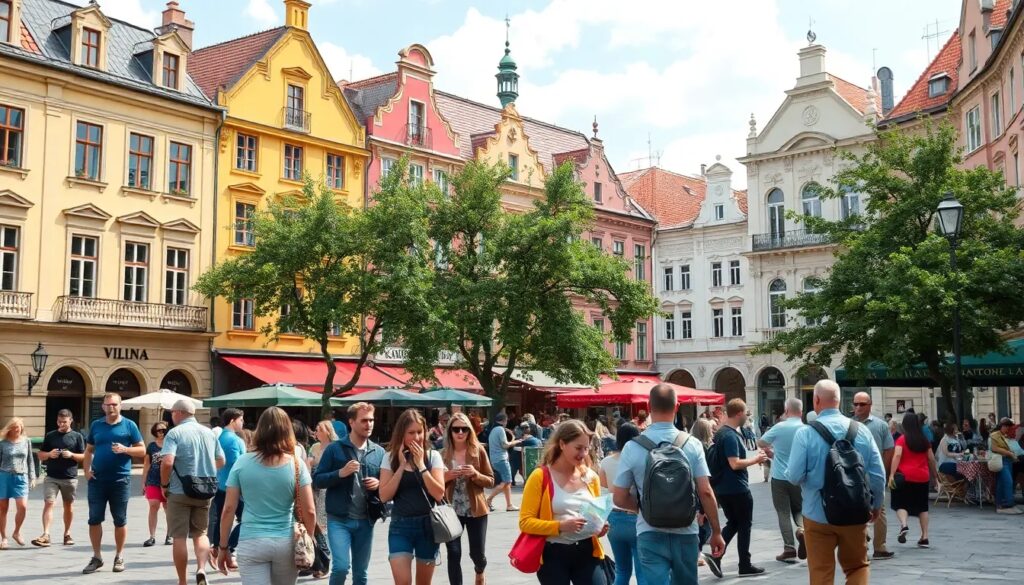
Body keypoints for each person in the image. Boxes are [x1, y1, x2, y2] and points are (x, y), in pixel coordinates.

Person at [614, 384, 725, 585]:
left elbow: (619, 497)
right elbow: (705, 492)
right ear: (677, 406)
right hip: (686, 531)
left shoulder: (632, 447)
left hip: (649, 530)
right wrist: (716, 531)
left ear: (648, 406)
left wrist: (645, 507)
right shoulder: (692, 444)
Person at [787, 381, 885, 585]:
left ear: (815, 400)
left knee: (821, 571)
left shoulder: (805, 433)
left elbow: (794, 476)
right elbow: (878, 474)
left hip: (816, 514)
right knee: (858, 566)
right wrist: (876, 506)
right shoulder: (862, 431)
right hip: (855, 512)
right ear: (840, 402)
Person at [215, 407, 316, 584]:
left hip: (251, 541)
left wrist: (223, 547)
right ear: (287, 430)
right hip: (285, 541)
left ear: (259, 430)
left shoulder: (243, 462)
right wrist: (309, 538)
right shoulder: (296, 464)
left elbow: (229, 509)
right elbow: (309, 510)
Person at [520, 420, 609, 584]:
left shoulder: (591, 477)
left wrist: (600, 527)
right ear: (562, 444)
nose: (583, 454)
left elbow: (595, 515)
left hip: (587, 550)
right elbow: (525, 522)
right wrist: (560, 526)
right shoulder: (540, 476)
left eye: (586, 448)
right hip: (553, 553)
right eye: (578, 448)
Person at [312, 402, 385, 585]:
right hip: (339, 518)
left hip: (366, 519)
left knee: (361, 574)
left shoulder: (379, 451)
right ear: (351, 422)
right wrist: (340, 473)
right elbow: (318, 479)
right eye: (364, 420)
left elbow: (389, 483)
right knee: (341, 567)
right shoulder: (335, 449)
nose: (368, 424)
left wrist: (379, 484)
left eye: (371, 420)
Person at [378, 408, 447, 585]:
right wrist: (401, 466)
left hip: (428, 526)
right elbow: (384, 496)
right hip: (401, 526)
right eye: (411, 433)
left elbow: (439, 493)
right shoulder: (390, 457)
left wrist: (421, 465)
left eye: (419, 432)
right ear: (402, 434)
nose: (416, 437)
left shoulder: (433, 456)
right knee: (403, 582)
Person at [161, 399, 224, 585]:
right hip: (204, 490)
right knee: (201, 533)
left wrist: (164, 485)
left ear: (179, 413)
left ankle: (182, 581)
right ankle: (202, 569)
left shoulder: (175, 433)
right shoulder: (209, 433)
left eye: (172, 412)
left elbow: (167, 462)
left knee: (179, 537)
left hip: (179, 491)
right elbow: (221, 461)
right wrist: (204, 468)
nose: (171, 416)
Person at [82, 392, 145, 574]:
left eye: (114, 405)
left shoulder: (129, 425)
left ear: (120, 405)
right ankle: (97, 557)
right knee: (94, 519)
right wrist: (86, 471)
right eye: (107, 405)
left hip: (120, 479)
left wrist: (126, 449)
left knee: (119, 519)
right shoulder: (96, 425)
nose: (111, 408)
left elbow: (142, 450)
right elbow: (88, 450)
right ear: (103, 406)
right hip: (97, 480)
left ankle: (119, 555)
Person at [706, 399, 766, 577]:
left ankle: (717, 556)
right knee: (744, 524)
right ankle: (744, 564)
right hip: (737, 488)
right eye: (746, 413)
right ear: (739, 413)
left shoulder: (721, 433)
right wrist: (756, 460)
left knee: (733, 522)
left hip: (722, 488)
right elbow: (734, 463)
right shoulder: (731, 435)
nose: (747, 417)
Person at [441, 412, 494, 585]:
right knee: (453, 553)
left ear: (470, 431)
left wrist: (475, 474)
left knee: (477, 554)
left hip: (476, 510)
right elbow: (434, 482)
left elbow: (491, 480)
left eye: (465, 429)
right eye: (456, 429)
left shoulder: (478, 451)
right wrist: (448, 476)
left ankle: (480, 570)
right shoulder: (443, 454)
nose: (460, 433)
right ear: (450, 432)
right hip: (451, 510)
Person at [757, 398, 806, 564]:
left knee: (783, 512)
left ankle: (789, 548)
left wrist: (772, 451)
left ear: (786, 410)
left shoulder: (779, 427)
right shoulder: (805, 429)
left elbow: (761, 441)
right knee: (798, 509)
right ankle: (801, 530)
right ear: (801, 411)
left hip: (779, 476)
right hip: (798, 477)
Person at [599, 422, 647, 585]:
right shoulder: (639, 459)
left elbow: (604, 489)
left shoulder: (605, 462)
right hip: (635, 516)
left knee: (622, 570)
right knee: (642, 571)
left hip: (614, 518)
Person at [850, 392, 895, 561]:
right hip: (854, 475)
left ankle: (880, 546)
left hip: (874, 475)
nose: (858, 407)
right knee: (857, 510)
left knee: (879, 509)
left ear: (870, 405)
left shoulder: (880, 425)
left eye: (862, 404)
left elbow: (889, 448)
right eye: (856, 404)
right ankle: (862, 547)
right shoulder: (848, 425)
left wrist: (883, 468)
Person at [32, 409, 85, 548]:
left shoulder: (77, 436)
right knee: (49, 503)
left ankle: (67, 534)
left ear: (71, 421)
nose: (61, 424)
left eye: (64, 422)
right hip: (52, 476)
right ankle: (46, 534)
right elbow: (40, 455)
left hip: (69, 477)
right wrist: (49, 454)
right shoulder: (50, 436)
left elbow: (84, 456)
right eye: (59, 421)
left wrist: (71, 455)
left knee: (68, 505)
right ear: (57, 421)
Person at [888, 412, 939, 548]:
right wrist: (935, 477)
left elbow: (897, 455)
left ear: (904, 425)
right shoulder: (924, 441)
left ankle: (904, 525)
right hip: (922, 477)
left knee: (900, 503)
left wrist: (892, 473)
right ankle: (925, 536)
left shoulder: (902, 440)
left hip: (905, 477)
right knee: (923, 507)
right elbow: (931, 459)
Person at [210, 408, 246, 572]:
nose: (242, 423)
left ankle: (217, 548)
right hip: (234, 487)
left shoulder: (219, 437)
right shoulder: (234, 440)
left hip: (220, 485)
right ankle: (228, 548)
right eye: (240, 420)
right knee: (246, 519)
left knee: (222, 519)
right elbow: (239, 465)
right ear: (232, 420)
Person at [308, 420, 338, 579]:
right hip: (314, 487)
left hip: (328, 489)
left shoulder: (335, 447)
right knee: (315, 524)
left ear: (327, 431)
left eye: (319, 429)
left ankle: (325, 562)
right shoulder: (314, 447)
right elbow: (309, 463)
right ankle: (315, 561)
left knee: (322, 524)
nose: (315, 432)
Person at [0, 417, 35, 549]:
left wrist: (32, 477)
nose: (16, 429)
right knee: (3, 509)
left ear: (22, 428)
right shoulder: (2, 444)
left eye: (18, 427)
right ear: (9, 429)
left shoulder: (26, 442)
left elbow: (30, 460)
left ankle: (16, 532)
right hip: (4, 477)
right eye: (14, 427)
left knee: (23, 507)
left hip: (21, 477)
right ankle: (3, 538)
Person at [485, 413, 527, 512]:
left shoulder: (493, 430)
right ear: (504, 420)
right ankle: (488, 499)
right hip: (501, 459)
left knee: (507, 483)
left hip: (496, 459)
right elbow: (505, 445)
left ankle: (509, 505)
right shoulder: (500, 430)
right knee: (507, 481)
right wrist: (517, 441)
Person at [141, 421, 170, 547]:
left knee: (168, 508)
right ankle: (152, 536)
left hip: (169, 480)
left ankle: (169, 535)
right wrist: (144, 482)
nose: (161, 433)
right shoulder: (151, 446)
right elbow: (147, 464)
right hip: (153, 479)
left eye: (164, 430)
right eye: (159, 430)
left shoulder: (171, 445)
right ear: (154, 432)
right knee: (153, 506)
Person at [987, 417, 1022, 514]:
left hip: (1007, 460)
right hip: (1001, 460)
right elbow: (994, 448)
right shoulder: (995, 435)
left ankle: (1000, 504)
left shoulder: (1005, 436)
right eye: (1007, 427)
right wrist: (1009, 453)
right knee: (1008, 482)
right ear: (1003, 426)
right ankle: (1007, 504)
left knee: (1001, 482)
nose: (1008, 429)